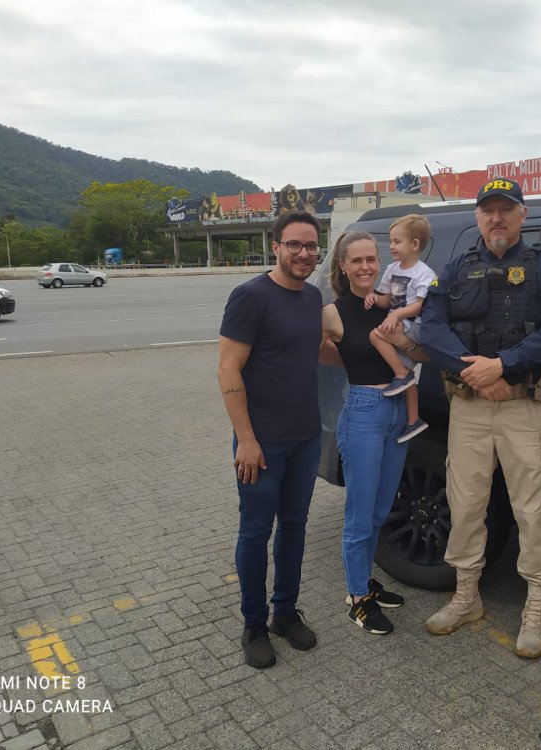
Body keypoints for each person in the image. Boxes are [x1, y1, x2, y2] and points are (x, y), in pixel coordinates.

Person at [419, 178, 541, 659]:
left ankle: (536, 606)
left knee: (534, 508)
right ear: (477, 218)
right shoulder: (456, 269)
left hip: (524, 406)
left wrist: (504, 365)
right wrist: (476, 372)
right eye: (488, 210)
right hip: (469, 405)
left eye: (506, 210)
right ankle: (467, 596)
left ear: (523, 215)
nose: (496, 218)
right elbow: (431, 323)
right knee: (465, 503)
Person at [217, 210, 324, 669]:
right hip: (262, 442)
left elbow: (314, 349)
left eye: (311, 246)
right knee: (256, 532)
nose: (304, 254)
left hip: (305, 436)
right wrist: (246, 438)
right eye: (294, 245)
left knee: (295, 526)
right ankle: (254, 624)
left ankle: (284, 612)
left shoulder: (313, 296)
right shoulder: (250, 297)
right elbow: (227, 368)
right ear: (275, 246)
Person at [323, 230, 425, 635]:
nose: (366, 267)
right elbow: (311, 348)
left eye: (371, 259)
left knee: (381, 510)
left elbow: (421, 353)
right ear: (343, 266)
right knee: (359, 516)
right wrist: (350, 359)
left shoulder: (393, 304)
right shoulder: (332, 313)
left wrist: (403, 339)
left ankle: (365, 581)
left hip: (399, 409)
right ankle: (356, 597)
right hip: (364, 411)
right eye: (357, 261)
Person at [365, 213, 436, 443]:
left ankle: (401, 374)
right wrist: (373, 298)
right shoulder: (391, 270)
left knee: (376, 335)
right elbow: (387, 300)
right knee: (407, 380)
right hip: (397, 326)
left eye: (397, 241)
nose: (392, 246)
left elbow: (420, 306)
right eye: (391, 240)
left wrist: (396, 313)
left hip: (413, 326)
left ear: (415, 244)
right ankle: (413, 421)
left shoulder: (423, 273)